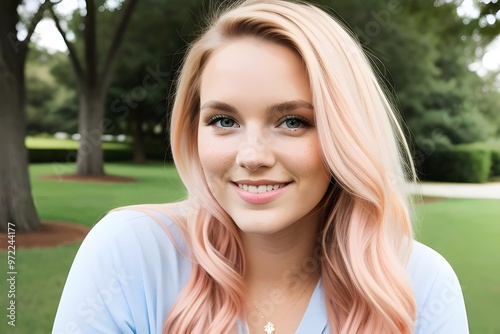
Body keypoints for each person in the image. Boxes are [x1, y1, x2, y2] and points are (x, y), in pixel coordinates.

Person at [52, 0, 469, 333]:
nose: (251, 156)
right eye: (224, 120)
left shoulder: (421, 284)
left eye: (292, 122)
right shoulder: (131, 254)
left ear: (346, 133)